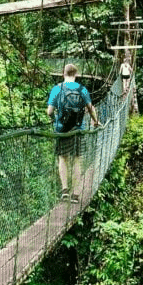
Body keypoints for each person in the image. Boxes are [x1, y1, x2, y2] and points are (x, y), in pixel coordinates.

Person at [47, 63, 99, 202]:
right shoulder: (82, 89)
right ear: (76, 75)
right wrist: (95, 121)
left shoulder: (57, 89)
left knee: (63, 158)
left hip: (62, 129)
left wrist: (54, 120)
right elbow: (90, 108)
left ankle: (65, 190)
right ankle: (75, 195)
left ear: (63, 73)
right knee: (77, 160)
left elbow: (49, 112)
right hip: (78, 130)